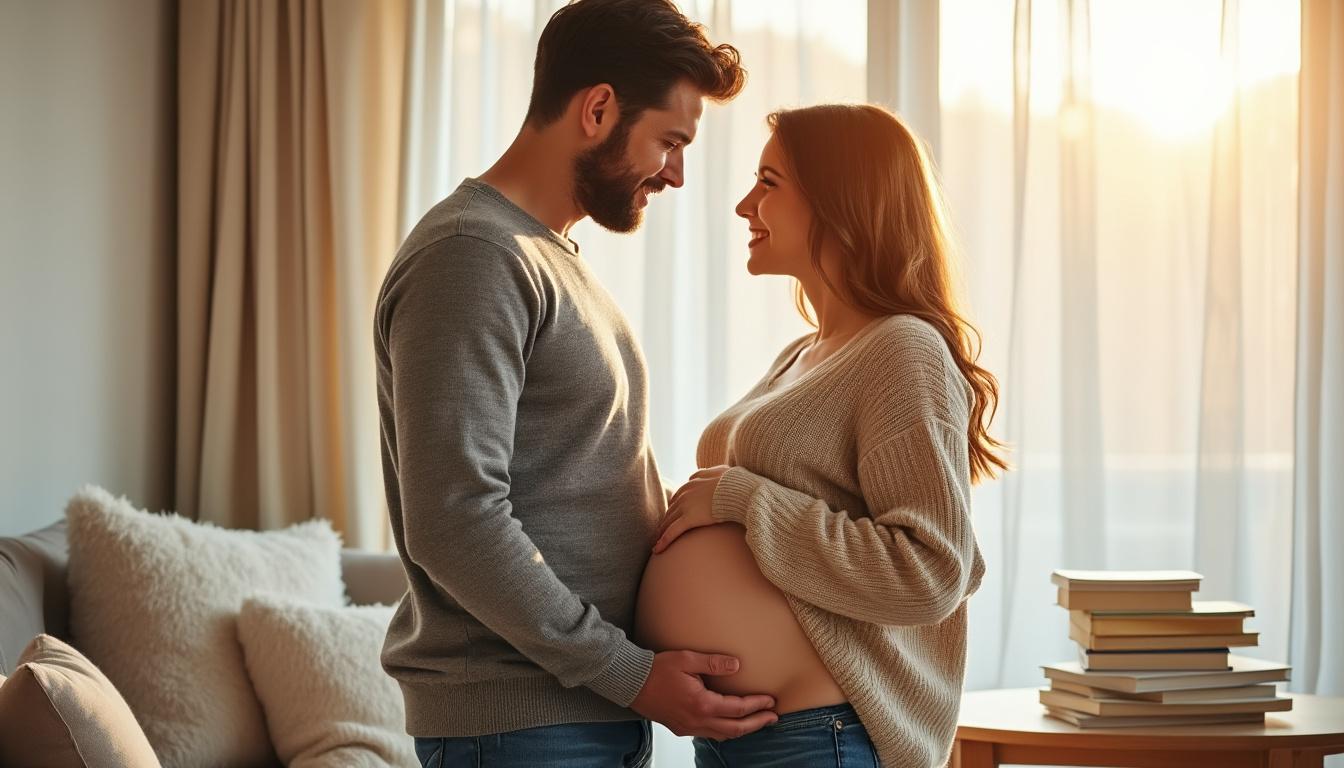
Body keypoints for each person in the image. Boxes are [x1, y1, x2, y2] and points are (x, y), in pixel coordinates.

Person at [373, 2, 780, 766]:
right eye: (670, 141)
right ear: (598, 109)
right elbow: (455, 519)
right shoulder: (473, 255)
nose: (679, 175)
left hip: (578, 714)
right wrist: (633, 675)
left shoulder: (543, 254)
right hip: (523, 725)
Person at [636, 104, 1005, 768]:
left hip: (820, 739)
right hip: (740, 738)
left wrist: (743, 501)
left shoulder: (902, 350)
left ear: (843, 202)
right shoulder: (804, 354)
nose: (746, 205)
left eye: (770, 183)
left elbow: (931, 571)